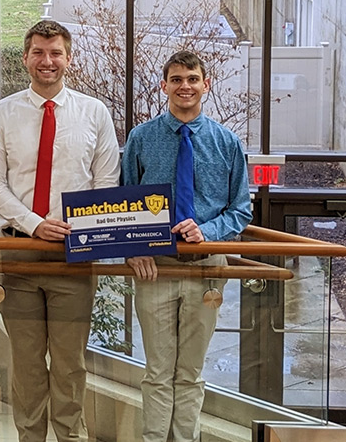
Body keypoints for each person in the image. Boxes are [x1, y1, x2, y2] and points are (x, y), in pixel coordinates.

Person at [0, 20, 120, 442]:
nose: (47, 61)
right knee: (26, 361)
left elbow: (106, 182)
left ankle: (71, 436)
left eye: (55, 52)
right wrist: (36, 224)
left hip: (74, 255)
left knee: (70, 360)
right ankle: (30, 437)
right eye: (38, 52)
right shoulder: (1, 113)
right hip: (18, 252)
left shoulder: (94, 112)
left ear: (68, 58)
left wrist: (80, 227)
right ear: (25, 58)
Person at [121, 50, 252, 442]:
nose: (185, 86)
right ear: (164, 86)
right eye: (176, 79)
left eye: (192, 79)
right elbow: (125, 204)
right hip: (154, 268)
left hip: (207, 268)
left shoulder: (226, 142)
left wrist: (208, 232)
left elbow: (240, 210)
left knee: (191, 372)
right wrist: (135, 248)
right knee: (158, 371)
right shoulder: (141, 138)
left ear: (205, 85)